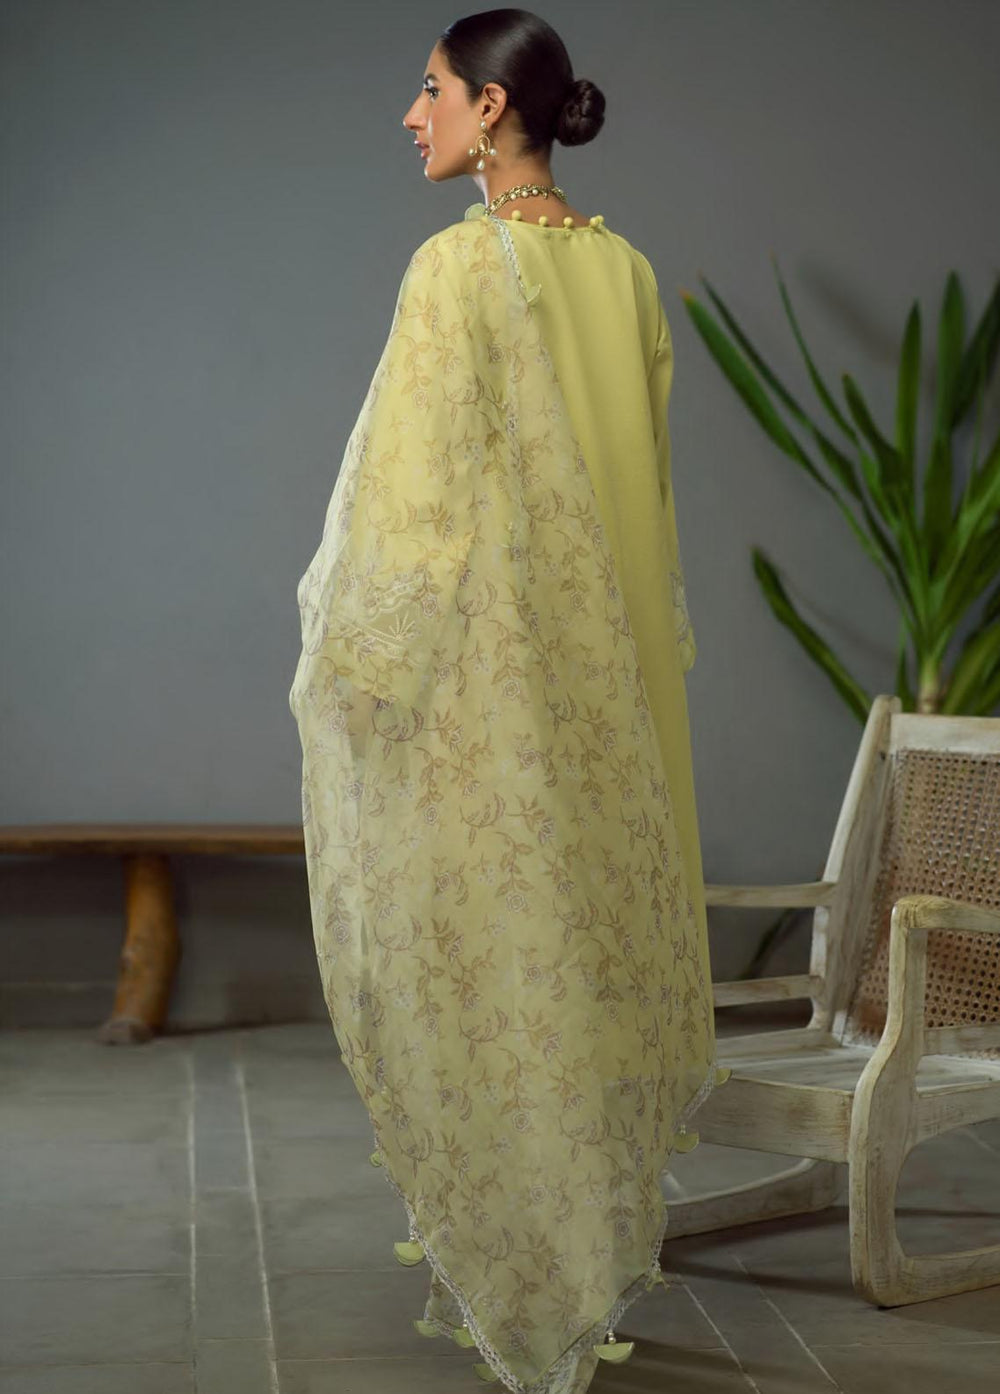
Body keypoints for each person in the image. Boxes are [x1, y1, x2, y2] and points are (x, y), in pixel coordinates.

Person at [288, 10, 730, 1392]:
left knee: (502, 957)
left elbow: (412, 502)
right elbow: (648, 501)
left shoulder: (456, 269)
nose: (409, 116)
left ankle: (536, 1279)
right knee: (585, 949)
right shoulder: (629, 273)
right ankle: (581, 1271)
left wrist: (360, 666)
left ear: (492, 109)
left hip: (507, 687)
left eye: (428, 90)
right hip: (620, 683)